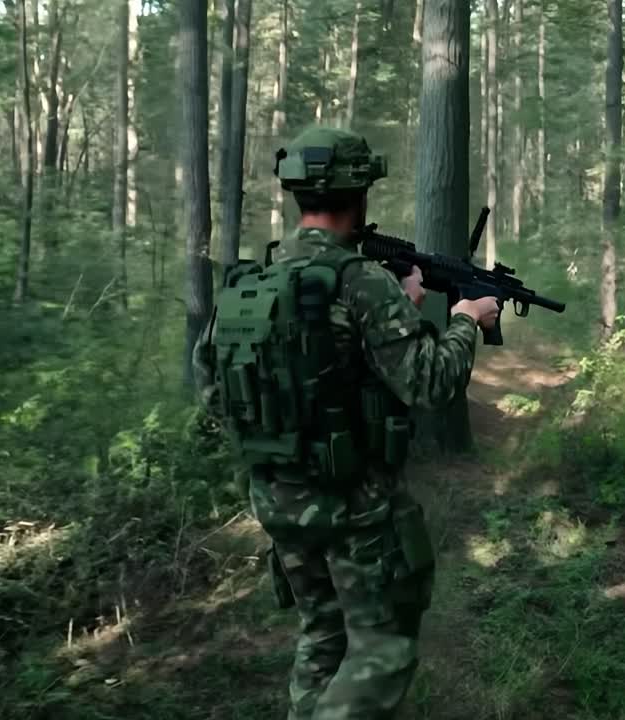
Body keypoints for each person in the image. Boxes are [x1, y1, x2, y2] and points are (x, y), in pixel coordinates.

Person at [193, 126, 500, 720]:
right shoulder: (361, 281)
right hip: (353, 508)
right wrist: (464, 319)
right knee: (383, 651)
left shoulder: (248, 282)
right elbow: (430, 383)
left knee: (325, 636)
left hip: (278, 500)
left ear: (296, 196)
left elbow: (213, 394)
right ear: (360, 192)